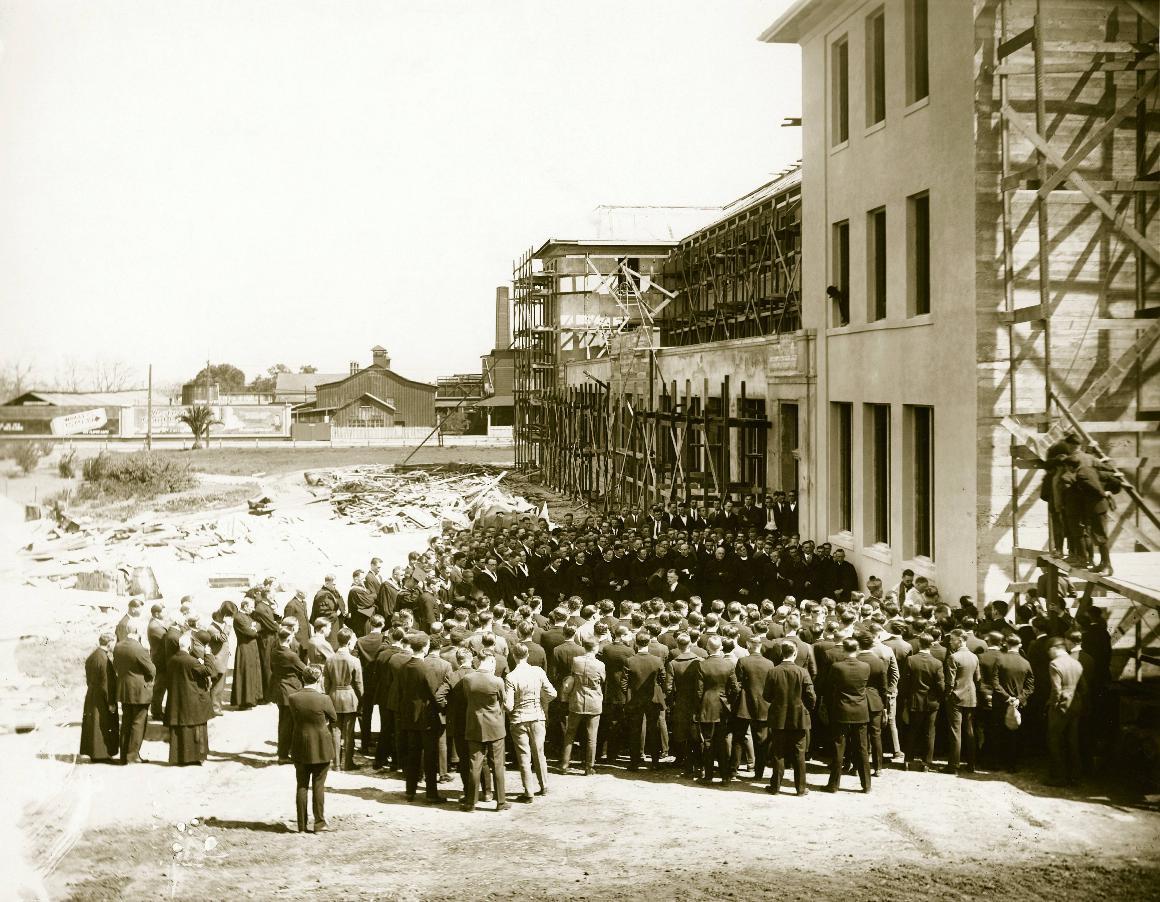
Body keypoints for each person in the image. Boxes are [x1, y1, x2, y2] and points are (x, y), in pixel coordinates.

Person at [397, 632, 451, 803]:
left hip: (409, 716)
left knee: (413, 754)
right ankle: (431, 793)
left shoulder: (404, 666)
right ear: (426, 647)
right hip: (426, 717)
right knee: (430, 755)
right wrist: (443, 708)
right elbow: (435, 694)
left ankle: (410, 791)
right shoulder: (425, 668)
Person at [504, 641, 556, 801]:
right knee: (539, 753)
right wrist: (542, 701)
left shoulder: (511, 677)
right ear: (527, 655)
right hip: (537, 717)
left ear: (514, 656)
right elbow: (552, 693)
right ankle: (544, 785)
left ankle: (529, 792)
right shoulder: (538, 671)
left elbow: (509, 705)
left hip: (519, 720)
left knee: (524, 757)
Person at [288, 665, 337, 833]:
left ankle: (301, 825)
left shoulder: (293, 698)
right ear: (318, 679)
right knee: (318, 785)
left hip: (300, 744)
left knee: (301, 785)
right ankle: (319, 823)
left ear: (303, 679)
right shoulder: (324, 699)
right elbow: (334, 717)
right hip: (321, 746)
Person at [764, 638, 815, 796]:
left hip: (779, 716)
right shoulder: (803, 672)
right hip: (799, 716)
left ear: (781, 653)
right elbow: (810, 696)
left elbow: (766, 695)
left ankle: (775, 786)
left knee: (778, 752)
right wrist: (806, 707)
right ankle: (800, 788)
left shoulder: (773, 671)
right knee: (799, 753)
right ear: (795, 653)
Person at [461, 652, 510, 811]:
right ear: (489, 661)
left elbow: (467, 698)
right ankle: (500, 801)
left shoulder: (468, 679)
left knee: (474, 764)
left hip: (475, 725)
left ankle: (470, 802)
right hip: (495, 727)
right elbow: (504, 701)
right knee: (497, 765)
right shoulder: (497, 681)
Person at [693, 634, 741, 784]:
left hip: (707, 705)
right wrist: (729, 702)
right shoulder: (729, 665)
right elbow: (735, 688)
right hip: (723, 706)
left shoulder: (701, 665)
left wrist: (699, 706)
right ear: (720, 647)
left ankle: (708, 775)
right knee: (722, 741)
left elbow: (698, 691)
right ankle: (725, 776)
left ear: (707, 648)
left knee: (707, 741)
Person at [826, 637, 871, 793]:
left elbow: (830, 685)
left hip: (842, 710)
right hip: (860, 710)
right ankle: (866, 785)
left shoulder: (837, 667)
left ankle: (833, 785)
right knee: (862, 748)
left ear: (844, 650)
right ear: (857, 649)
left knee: (839, 748)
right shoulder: (866, 666)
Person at [165, 632, 214, 766]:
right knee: (196, 728)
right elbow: (209, 670)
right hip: (193, 699)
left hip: (178, 699)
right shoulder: (192, 662)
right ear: (189, 646)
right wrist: (208, 655)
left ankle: (179, 757)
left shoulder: (172, 660)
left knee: (180, 730)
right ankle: (196, 756)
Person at [560, 636, 605, 776]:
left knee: (570, 733)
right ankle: (589, 767)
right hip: (594, 702)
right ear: (596, 648)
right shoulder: (600, 665)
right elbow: (603, 680)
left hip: (577, 700)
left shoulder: (576, 661)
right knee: (592, 735)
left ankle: (564, 764)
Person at [622, 632, 667, 771]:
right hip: (652, 698)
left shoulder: (630, 660)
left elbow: (624, 683)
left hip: (635, 699)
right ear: (648, 643)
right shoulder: (657, 660)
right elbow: (663, 678)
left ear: (636, 643)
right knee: (654, 729)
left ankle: (634, 762)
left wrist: (630, 693)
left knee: (635, 731)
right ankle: (655, 761)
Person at [732, 635, 775, 780]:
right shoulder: (769, 664)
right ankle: (759, 773)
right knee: (761, 742)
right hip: (763, 706)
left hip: (744, 705)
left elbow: (737, 685)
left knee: (738, 738)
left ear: (749, 646)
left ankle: (733, 770)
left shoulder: (743, 661)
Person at [113, 622, 155, 765]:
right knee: (138, 723)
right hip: (139, 691)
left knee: (126, 722)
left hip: (125, 690)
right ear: (137, 631)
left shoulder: (118, 646)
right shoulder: (139, 648)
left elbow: (116, 666)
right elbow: (152, 670)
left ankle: (124, 755)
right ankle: (133, 756)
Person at [1046, 637, 1086, 786]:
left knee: (1054, 740)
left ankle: (1058, 777)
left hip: (1060, 707)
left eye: (1048, 650)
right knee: (1072, 741)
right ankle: (1075, 776)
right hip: (1075, 705)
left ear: (1054, 648)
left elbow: (1056, 689)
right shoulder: (1076, 663)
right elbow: (1084, 688)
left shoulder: (1055, 664)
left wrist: (1054, 705)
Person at [900, 634, 944, 772]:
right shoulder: (937, 663)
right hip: (932, 702)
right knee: (930, 732)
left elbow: (905, 683)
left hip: (915, 700)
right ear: (931, 645)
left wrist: (906, 699)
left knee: (913, 730)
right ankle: (926, 762)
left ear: (919, 644)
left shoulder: (911, 660)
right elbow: (940, 685)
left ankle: (908, 760)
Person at [324, 627, 364, 771]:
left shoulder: (330, 660)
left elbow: (326, 683)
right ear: (348, 642)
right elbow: (359, 684)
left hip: (334, 696)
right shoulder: (354, 660)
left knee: (335, 731)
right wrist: (362, 699)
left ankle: (336, 764)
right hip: (350, 697)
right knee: (349, 732)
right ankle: (348, 762)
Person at [943, 632, 980, 774]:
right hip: (971, 696)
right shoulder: (974, 657)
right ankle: (971, 764)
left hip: (956, 696)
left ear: (960, 640)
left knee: (955, 731)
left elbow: (950, 681)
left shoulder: (953, 657)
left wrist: (948, 695)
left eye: (952, 639)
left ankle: (953, 765)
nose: (950, 642)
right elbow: (977, 677)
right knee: (969, 731)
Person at [272, 626, 309, 764]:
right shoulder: (291, 655)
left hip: (280, 689)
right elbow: (305, 670)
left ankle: (283, 751)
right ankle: (284, 755)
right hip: (291, 690)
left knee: (283, 723)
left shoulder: (275, 651)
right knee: (289, 725)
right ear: (288, 638)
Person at [80, 633, 119, 763]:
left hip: (92, 694)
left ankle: (95, 753)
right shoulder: (103, 659)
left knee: (93, 725)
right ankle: (102, 755)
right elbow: (106, 684)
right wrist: (111, 702)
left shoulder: (93, 656)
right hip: (102, 697)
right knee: (102, 724)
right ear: (109, 643)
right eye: (113, 642)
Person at [231, 598, 264, 710]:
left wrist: (255, 628)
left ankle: (252, 699)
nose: (253, 608)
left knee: (253, 672)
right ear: (245, 606)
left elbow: (259, 625)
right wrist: (254, 628)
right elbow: (250, 632)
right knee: (245, 673)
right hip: (244, 648)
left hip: (252, 647)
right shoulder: (239, 617)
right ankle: (244, 701)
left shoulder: (248, 617)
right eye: (251, 606)